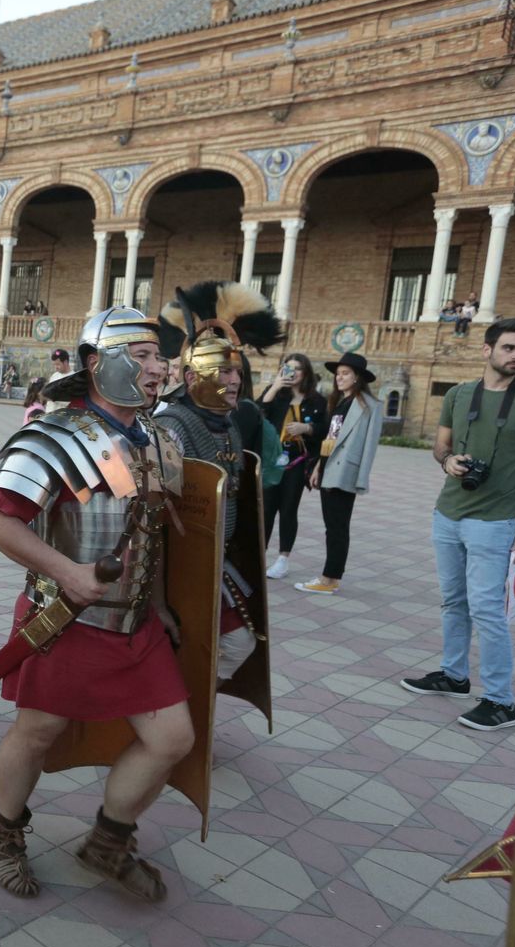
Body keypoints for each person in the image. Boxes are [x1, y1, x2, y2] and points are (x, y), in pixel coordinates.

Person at [0, 306, 189, 902]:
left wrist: (165, 603)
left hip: (135, 622)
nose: (157, 367)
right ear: (97, 364)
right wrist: (65, 570)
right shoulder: (54, 435)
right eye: (141, 356)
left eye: (158, 356)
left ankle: (107, 842)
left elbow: (156, 529)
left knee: (173, 738)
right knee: (38, 730)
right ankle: (4, 834)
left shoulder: (159, 440)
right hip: (64, 619)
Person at [402, 319, 515, 731]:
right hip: (447, 513)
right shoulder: (458, 393)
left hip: (494, 521)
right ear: (487, 350)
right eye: (510, 348)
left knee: (488, 609)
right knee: (454, 600)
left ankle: (500, 701)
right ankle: (454, 676)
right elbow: (441, 445)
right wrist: (448, 460)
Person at [154, 282, 278, 682]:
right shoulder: (172, 427)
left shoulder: (230, 426)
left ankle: (187, 716)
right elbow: (156, 510)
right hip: (175, 564)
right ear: (192, 377)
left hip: (213, 557)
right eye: (224, 370)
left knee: (225, 642)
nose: (235, 380)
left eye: (237, 371)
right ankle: (177, 715)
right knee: (206, 642)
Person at [294, 352, 384, 596]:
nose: (339, 378)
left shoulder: (369, 406)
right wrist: (318, 468)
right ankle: (330, 577)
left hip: (345, 472)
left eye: (345, 374)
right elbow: (330, 439)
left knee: (337, 527)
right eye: (338, 374)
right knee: (332, 526)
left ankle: (329, 578)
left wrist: (361, 479)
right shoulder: (338, 402)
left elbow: (370, 446)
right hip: (328, 469)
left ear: (357, 378)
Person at [256, 353, 327, 579]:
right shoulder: (276, 394)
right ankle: (259, 557)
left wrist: (307, 429)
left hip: (297, 462)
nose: (292, 372)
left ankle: (283, 559)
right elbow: (258, 414)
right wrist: (275, 387)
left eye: (297, 369)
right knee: (266, 510)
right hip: (272, 462)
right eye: (288, 368)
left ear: (305, 373)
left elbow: (325, 429)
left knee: (288, 509)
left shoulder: (316, 400)